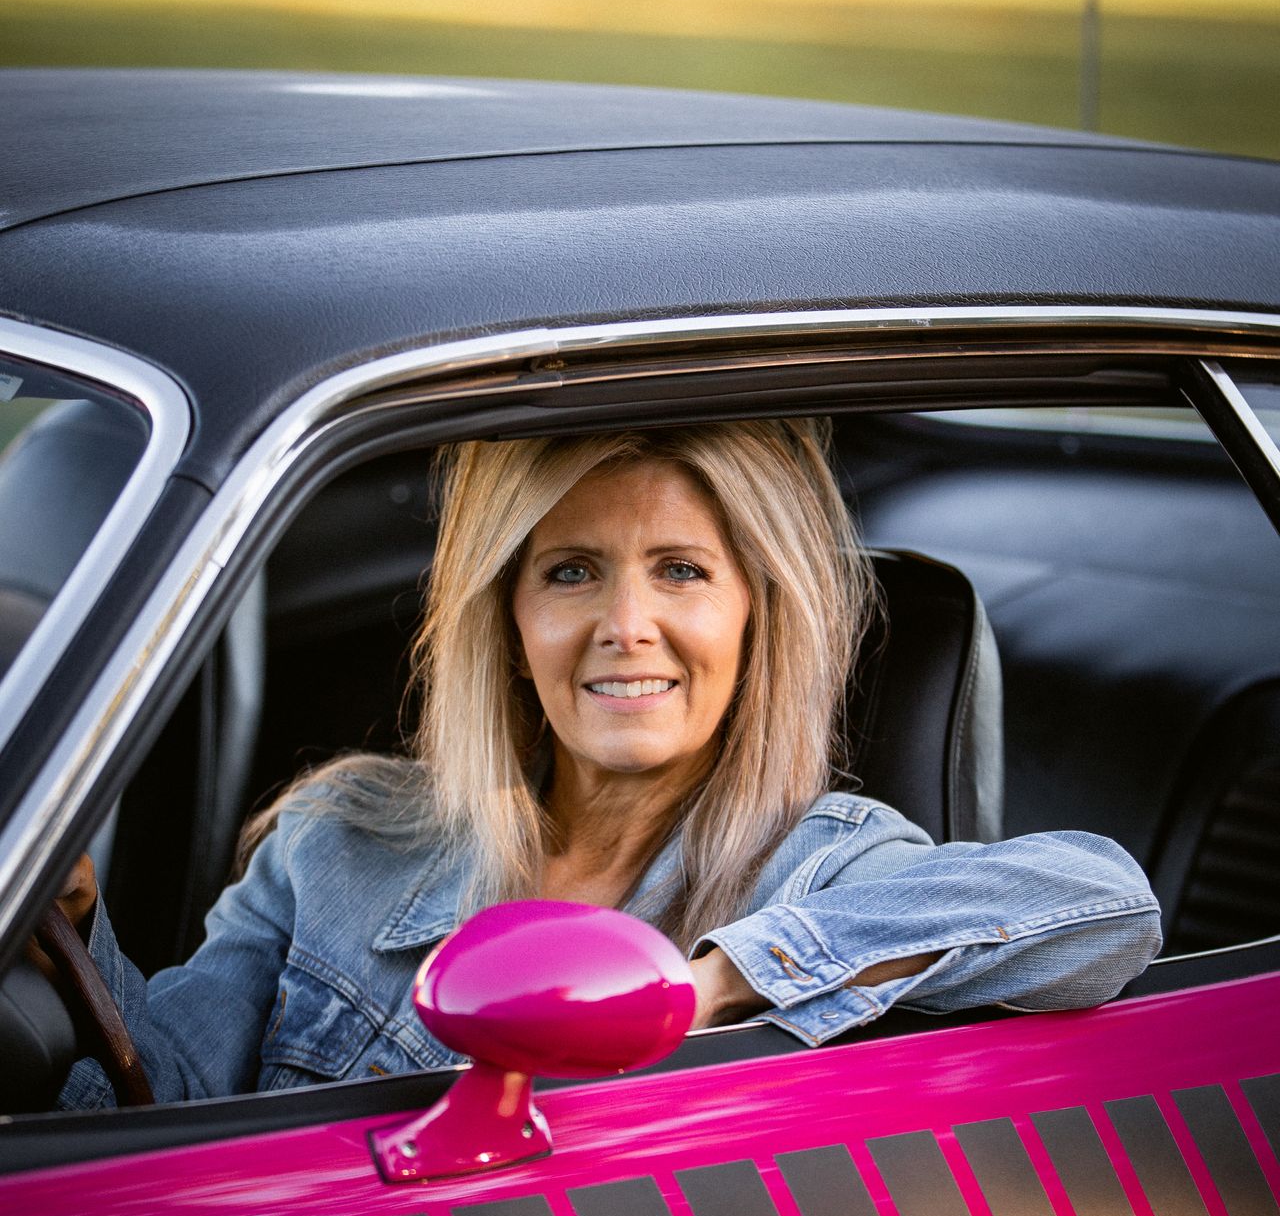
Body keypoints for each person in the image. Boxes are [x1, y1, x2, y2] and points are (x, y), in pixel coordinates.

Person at [56, 420, 1162, 1107]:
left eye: (680, 570)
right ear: (510, 623)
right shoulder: (339, 838)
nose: (626, 626)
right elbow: (152, 1110)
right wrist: (67, 928)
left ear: (754, 620)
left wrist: (704, 986)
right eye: (572, 572)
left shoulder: (822, 868)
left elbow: (1098, 905)